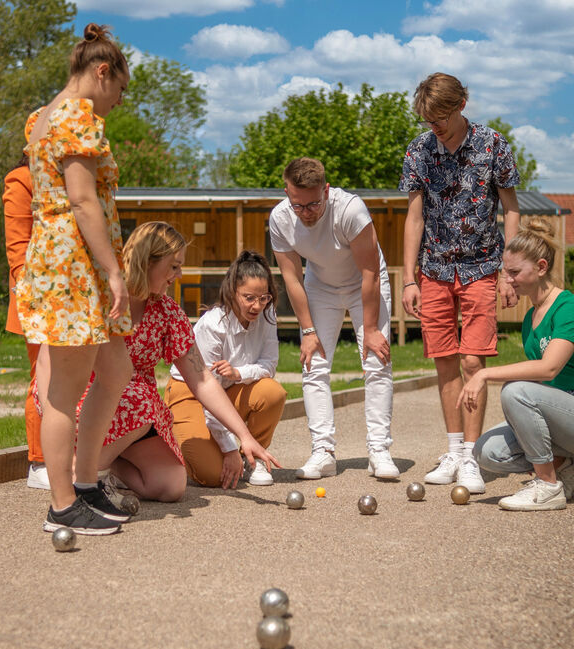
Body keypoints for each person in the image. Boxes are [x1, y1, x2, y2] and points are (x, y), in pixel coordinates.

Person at [15, 23, 134, 535]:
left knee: (116, 373)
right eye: (121, 88)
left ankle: (85, 484)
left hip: (67, 258)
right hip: (74, 263)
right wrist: (114, 270)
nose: (120, 101)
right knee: (65, 390)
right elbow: (83, 201)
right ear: (101, 72)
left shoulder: (43, 116)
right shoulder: (77, 116)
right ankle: (62, 505)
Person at [85, 225, 281, 501]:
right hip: (95, 400)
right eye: (174, 266)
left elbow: (201, 379)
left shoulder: (167, 311)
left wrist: (244, 436)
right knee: (141, 399)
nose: (179, 275)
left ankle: (112, 464)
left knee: (171, 485)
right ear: (147, 260)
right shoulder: (103, 297)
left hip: (136, 413)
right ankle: (84, 473)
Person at [399, 72, 522, 495]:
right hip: (434, 269)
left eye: (441, 117)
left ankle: (471, 456)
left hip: (481, 266)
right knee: (444, 360)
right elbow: (414, 216)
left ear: (462, 104)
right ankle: (453, 452)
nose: (434, 125)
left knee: (475, 362)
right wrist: (408, 278)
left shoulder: (493, 144)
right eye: (428, 118)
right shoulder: (418, 150)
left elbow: (511, 210)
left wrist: (508, 270)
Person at [459, 218, 574, 510]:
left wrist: (484, 373)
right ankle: (566, 466)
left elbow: (549, 369)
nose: (507, 280)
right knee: (486, 452)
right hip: (563, 412)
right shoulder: (530, 320)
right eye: (504, 272)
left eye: (513, 273)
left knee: (515, 391)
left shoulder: (569, 307)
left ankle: (548, 486)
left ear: (541, 267)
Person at [270, 157, 398, 480]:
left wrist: (370, 330)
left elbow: (369, 272)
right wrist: (308, 330)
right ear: (287, 192)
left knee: (376, 359)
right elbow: (292, 279)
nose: (306, 212)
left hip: (363, 283)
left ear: (326, 190)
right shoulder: (280, 218)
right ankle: (323, 452)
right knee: (312, 363)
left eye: (313, 203)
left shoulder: (350, 210)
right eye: (297, 204)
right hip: (319, 284)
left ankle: (379, 450)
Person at [165, 250, 287, 489]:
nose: (257, 306)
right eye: (249, 297)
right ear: (233, 292)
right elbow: (207, 388)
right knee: (213, 476)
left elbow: (269, 365)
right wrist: (229, 448)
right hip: (191, 392)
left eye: (263, 298)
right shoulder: (213, 324)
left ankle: (253, 457)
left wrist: (239, 373)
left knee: (273, 393)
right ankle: (175, 442)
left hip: (229, 388)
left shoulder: (267, 314)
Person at [2, 155, 47, 490]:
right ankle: (39, 461)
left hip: (76, 297)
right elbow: (18, 248)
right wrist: (33, 300)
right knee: (43, 378)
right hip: (39, 299)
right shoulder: (21, 179)